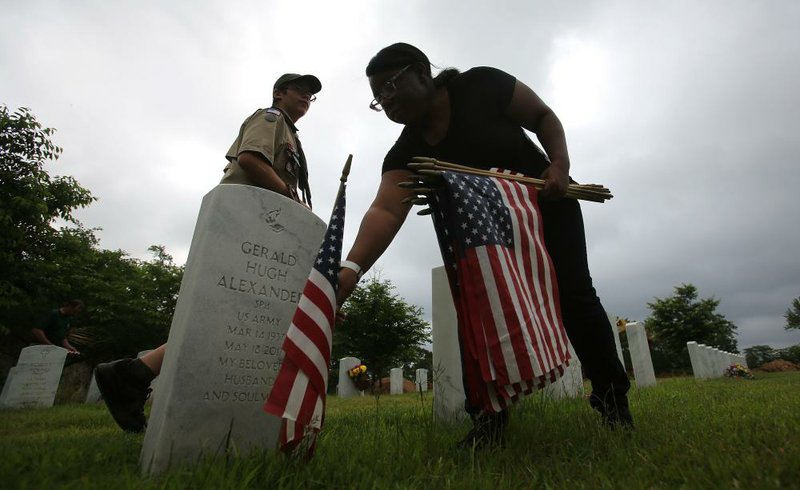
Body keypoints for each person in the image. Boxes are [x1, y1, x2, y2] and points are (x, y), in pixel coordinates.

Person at [335, 43, 632, 448]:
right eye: (377, 98)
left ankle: (613, 399)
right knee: (479, 310)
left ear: (422, 72)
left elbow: (543, 116)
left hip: (545, 207)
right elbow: (386, 210)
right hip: (484, 235)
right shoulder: (407, 150)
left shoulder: (482, 85)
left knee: (576, 298)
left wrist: (558, 165)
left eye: (389, 87)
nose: (385, 102)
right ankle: (489, 419)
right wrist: (350, 270)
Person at [95, 73, 322, 433]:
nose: (308, 97)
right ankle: (132, 374)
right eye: (302, 91)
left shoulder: (291, 134)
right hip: (248, 215)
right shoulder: (271, 118)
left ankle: (135, 373)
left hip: (266, 220)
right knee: (232, 311)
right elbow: (250, 159)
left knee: (233, 319)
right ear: (279, 94)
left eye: (312, 95)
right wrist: (292, 199)